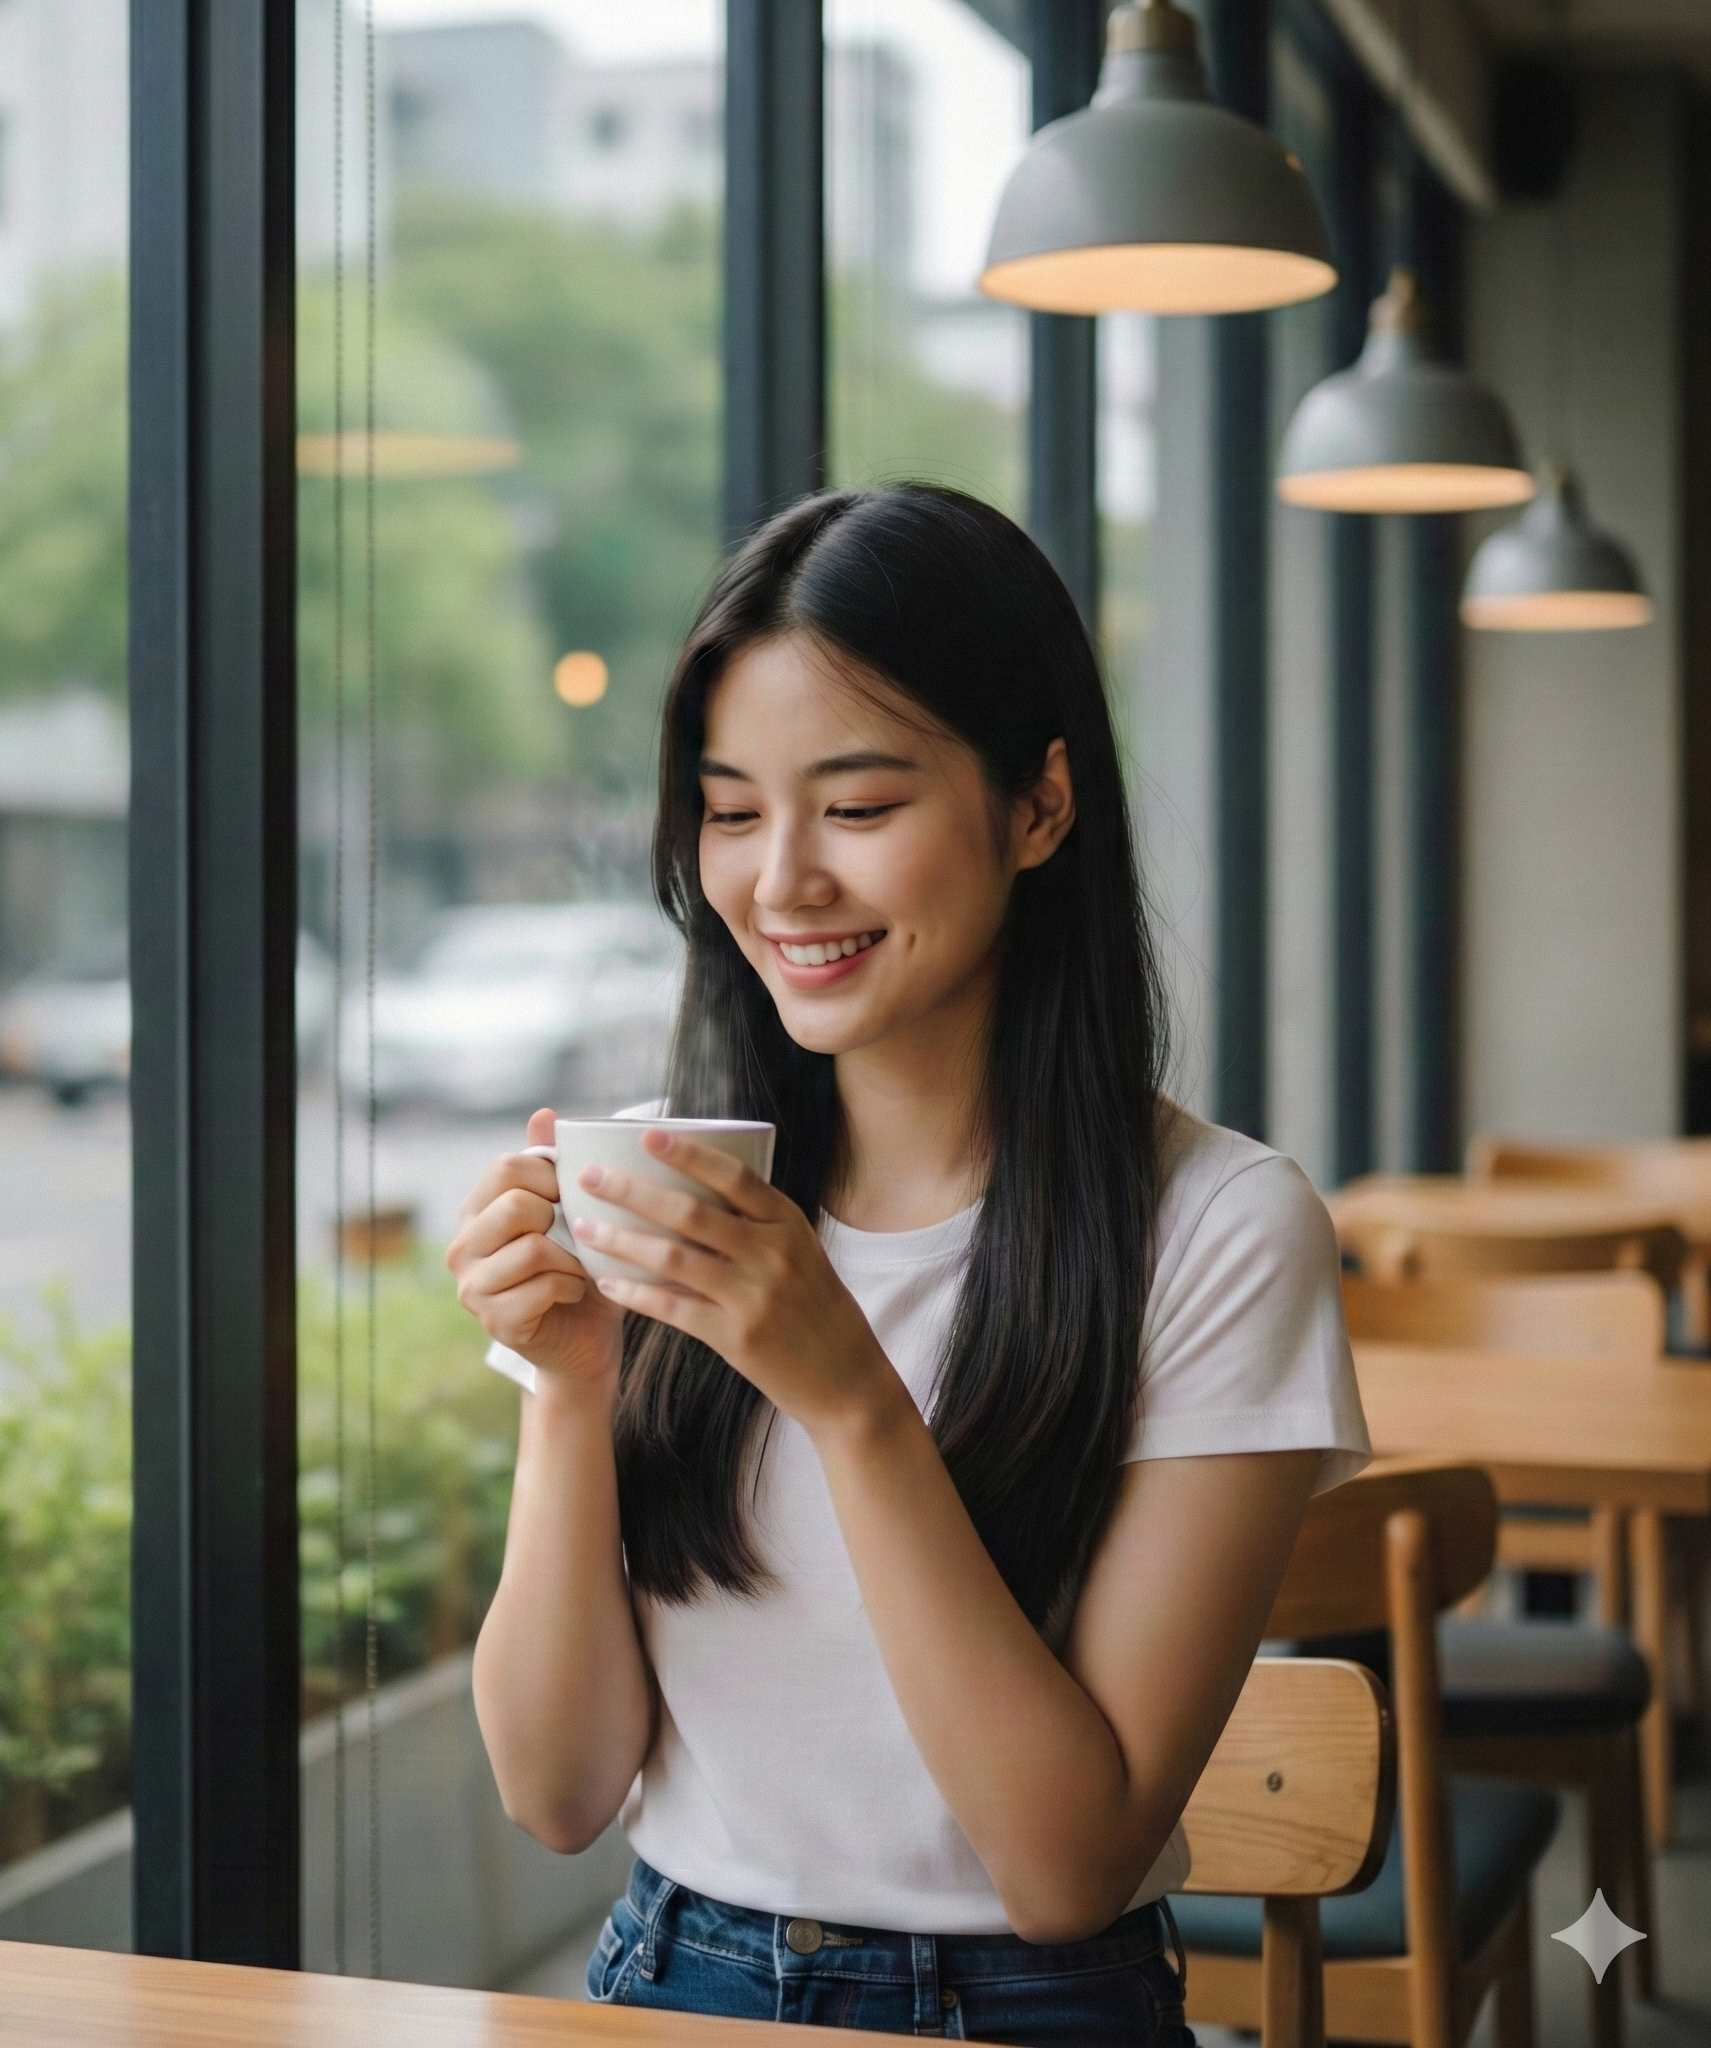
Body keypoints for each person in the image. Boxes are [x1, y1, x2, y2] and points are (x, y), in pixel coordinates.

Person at [447, 485, 1368, 2044]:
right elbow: (554, 1793)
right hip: (667, 1974)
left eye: (859, 810)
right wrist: (568, 1383)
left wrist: (851, 1399)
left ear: (1039, 806)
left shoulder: (1220, 1227)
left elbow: (1068, 1865)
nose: (783, 880)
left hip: (1030, 2004)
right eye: (733, 811)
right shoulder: (676, 1189)